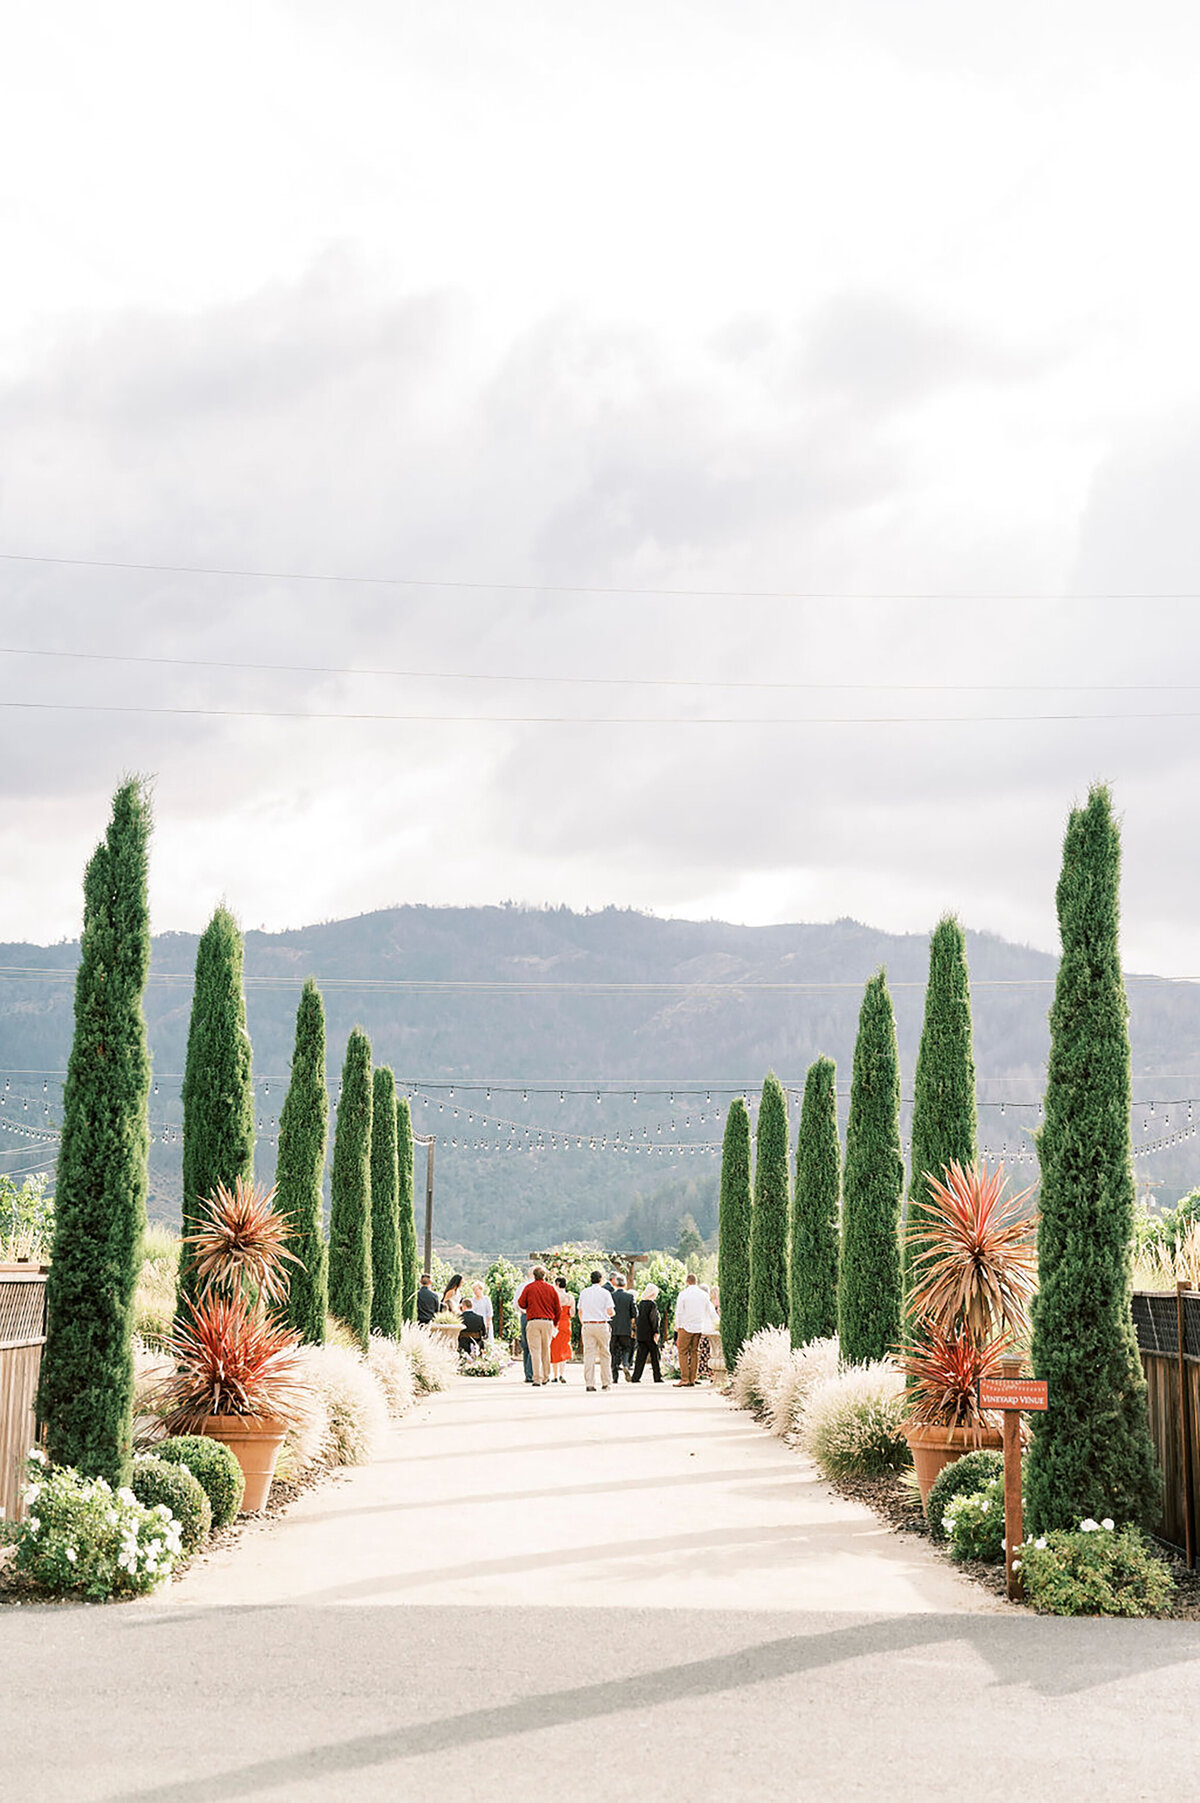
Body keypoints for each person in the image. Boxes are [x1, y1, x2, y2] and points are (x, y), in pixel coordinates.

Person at [516, 1264, 561, 1386]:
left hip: (533, 1321)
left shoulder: (529, 1288)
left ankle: (536, 1378)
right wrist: (555, 1323)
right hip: (547, 1322)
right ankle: (546, 1376)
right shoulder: (551, 1289)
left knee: (535, 1350)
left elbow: (521, 1303)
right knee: (546, 1349)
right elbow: (558, 1308)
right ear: (545, 1276)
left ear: (534, 1276)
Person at [577, 1269, 615, 1391]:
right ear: (600, 1280)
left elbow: (580, 1311)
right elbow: (610, 1311)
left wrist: (584, 1322)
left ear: (590, 1280)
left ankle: (589, 1383)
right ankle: (606, 1382)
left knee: (589, 1355)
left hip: (588, 1324)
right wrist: (612, 1313)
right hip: (601, 1324)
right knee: (605, 1353)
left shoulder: (584, 1292)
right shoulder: (605, 1293)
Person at [674, 1273, 709, 1387]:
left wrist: (678, 1326)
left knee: (683, 1352)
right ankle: (693, 1378)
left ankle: (685, 1379)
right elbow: (708, 1310)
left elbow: (679, 1311)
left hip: (686, 1326)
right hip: (698, 1327)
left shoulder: (683, 1294)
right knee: (695, 1352)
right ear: (696, 1281)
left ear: (687, 1282)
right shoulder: (703, 1295)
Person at [631, 1283, 663, 1383]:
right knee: (655, 1357)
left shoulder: (640, 1304)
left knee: (640, 1357)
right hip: (650, 1334)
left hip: (641, 1334)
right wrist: (656, 1332)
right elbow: (654, 1319)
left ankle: (635, 1377)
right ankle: (657, 1377)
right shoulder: (652, 1304)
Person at [610, 1275, 637, 1383]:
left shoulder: (611, 1296)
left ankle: (615, 1377)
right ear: (625, 1285)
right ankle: (625, 1364)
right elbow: (635, 1313)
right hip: (625, 1328)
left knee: (614, 1352)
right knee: (626, 1348)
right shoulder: (629, 1297)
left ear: (615, 1284)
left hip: (613, 1328)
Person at [550, 1275, 575, 1382]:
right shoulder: (570, 1298)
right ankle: (562, 1374)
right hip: (566, 1324)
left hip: (555, 1324)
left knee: (554, 1349)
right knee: (564, 1348)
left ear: (557, 1284)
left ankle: (555, 1375)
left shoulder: (553, 1296)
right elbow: (572, 1313)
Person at [696, 1283, 719, 1381]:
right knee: (710, 1353)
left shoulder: (697, 1303)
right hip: (708, 1331)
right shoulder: (708, 1303)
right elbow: (714, 1317)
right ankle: (712, 1375)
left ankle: (697, 1375)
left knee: (699, 1354)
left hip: (699, 1331)